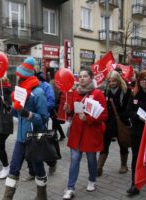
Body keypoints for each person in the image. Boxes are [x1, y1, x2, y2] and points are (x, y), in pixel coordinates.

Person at [2, 57, 49, 200]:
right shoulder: (22, 91)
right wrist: (11, 107)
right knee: (14, 167)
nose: (17, 78)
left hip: (35, 136)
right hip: (21, 137)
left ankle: (42, 196)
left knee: (38, 167)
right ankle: (7, 197)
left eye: (19, 76)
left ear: (24, 76)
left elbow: (43, 119)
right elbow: (18, 114)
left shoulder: (39, 93)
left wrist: (27, 113)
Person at [62, 68, 108, 199]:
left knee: (91, 160)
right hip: (76, 133)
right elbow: (72, 112)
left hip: (91, 133)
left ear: (91, 78)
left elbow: (104, 115)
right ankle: (70, 188)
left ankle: (92, 180)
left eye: (85, 76)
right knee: (75, 160)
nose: (81, 78)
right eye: (80, 76)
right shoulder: (76, 92)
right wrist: (68, 110)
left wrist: (88, 119)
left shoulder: (98, 93)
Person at [97, 71, 132, 176]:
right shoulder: (106, 91)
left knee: (123, 143)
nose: (111, 83)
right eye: (110, 81)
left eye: (114, 81)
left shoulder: (126, 91)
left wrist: (122, 116)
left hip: (121, 121)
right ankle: (99, 167)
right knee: (105, 143)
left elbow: (129, 108)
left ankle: (124, 165)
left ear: (118, 80)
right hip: (108, 122)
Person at [126, 70, 146, 196]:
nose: (144, 81)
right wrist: (139, 117)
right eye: (142, 79)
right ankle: (135, 183)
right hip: (137, 132)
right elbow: (129, 111)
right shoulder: (134, 94)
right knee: (136, 158)